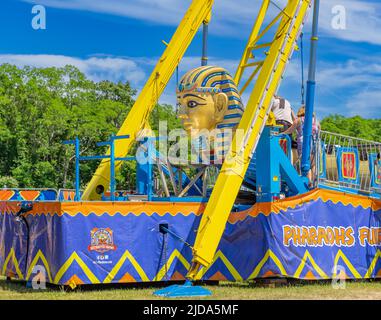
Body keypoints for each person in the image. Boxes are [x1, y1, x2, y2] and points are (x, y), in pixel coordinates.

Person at [282, 105, 321, 186]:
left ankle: (308, 182)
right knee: (313, 164)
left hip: (304, 143)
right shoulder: (316, 121)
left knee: (305, 164)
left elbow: (290, 130)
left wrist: (281, 133)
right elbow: (319, 131)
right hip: (314, 143)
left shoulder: (299, 120)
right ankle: (313, 182)